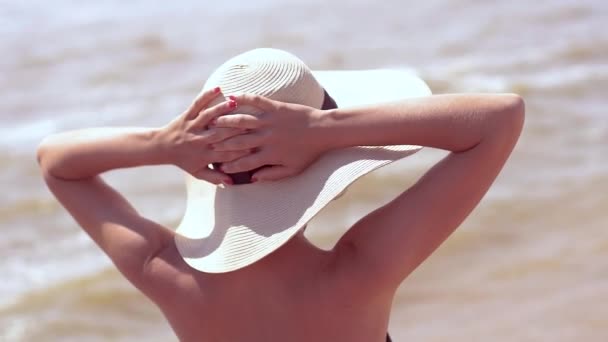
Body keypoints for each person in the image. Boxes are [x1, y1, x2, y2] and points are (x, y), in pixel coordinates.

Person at [37, 48, 524, 342]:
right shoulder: (360, 270)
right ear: (318, 172)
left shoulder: (166, 273)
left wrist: (163, 145)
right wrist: (323, 127)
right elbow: (499, 118)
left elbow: (56, 165)